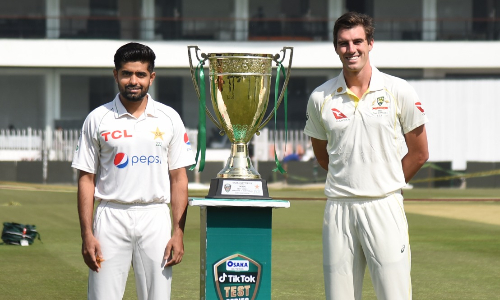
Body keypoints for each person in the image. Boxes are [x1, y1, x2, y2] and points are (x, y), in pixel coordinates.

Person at [303, 12, 429, 300]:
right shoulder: (320, 97)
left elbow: (420, 153)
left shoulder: (398, 89)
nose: (351, 49)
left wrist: (386, 183)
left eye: (357, 41)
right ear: (336, 48)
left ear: (370, 43)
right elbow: (324, 157)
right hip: (338, 208)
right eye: (344, 43)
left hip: (384, 205)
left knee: (394, 295)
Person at [71, 42, 195, 300]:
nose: (133, 81)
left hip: (155, 217)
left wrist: (178, 232)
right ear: (115, 75)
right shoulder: (97, 118)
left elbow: (179, 178)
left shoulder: (169, 117)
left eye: (140, 74)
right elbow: (86, 178)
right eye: (126, 73)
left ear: (152, 77)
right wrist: (87, 234)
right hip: (111, 216)